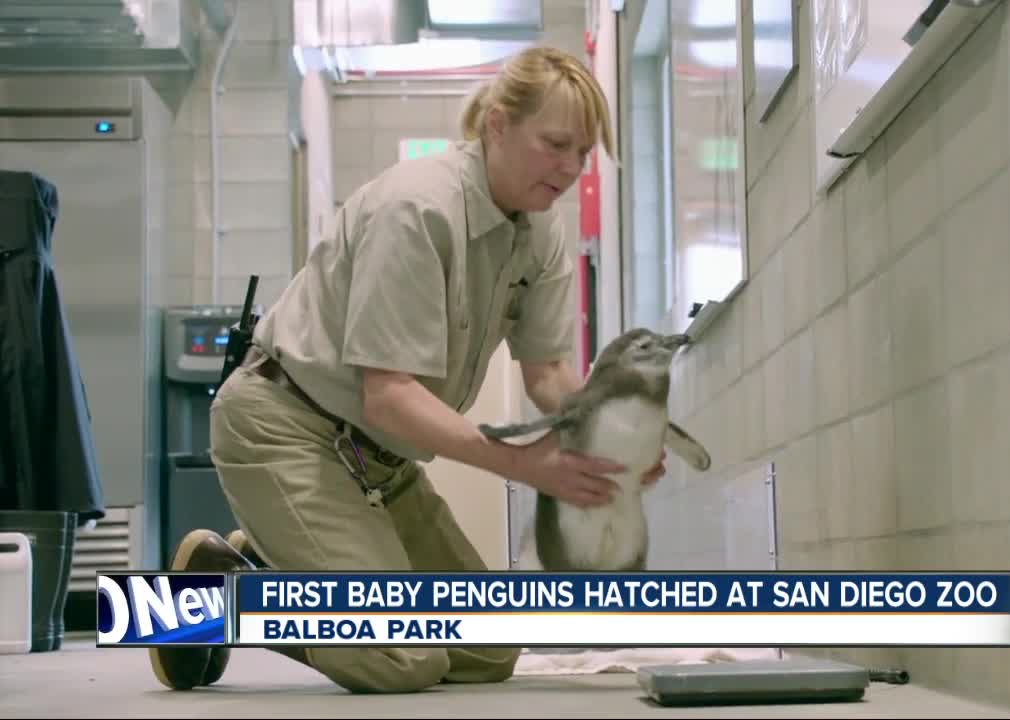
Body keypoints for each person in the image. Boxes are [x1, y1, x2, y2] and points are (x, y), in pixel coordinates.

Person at [150, 45, 668, 694]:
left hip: (377, 463)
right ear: (497, 125)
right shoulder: (416, 208)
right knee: (402, 658)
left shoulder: (540, 232)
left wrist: (610, 446)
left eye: (584, 153)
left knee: (490, 646)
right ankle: (223, 592)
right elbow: (390, 398)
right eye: (556, 144)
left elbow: (547, 372)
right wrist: (524, 465)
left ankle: (281, 558)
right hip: (287, 430)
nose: (571, 168)